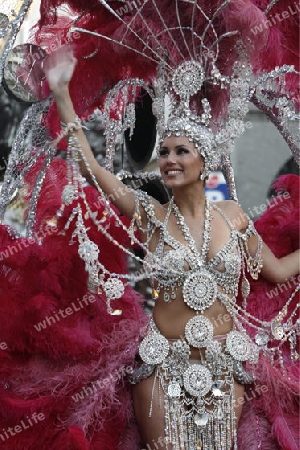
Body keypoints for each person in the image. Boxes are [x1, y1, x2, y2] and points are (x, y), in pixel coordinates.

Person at [44, 47, 300, 450]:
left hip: (225, 366)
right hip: (161, 366)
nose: (168, 160)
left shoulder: (233, 216)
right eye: (163, 152)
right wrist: (62, 94)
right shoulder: (151, 214)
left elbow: (279, 271)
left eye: (181, 151)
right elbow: (91, 167)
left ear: (204, 160)